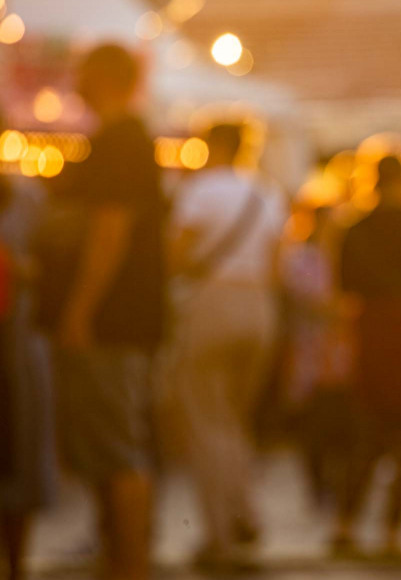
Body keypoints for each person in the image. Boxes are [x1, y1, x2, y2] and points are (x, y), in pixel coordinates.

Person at [34, 43, 166, 580]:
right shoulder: (121, 139)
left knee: (115, 447)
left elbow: (111, 230)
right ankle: (120, 556)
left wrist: (80, 310)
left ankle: (128, 564)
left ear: (105, 76)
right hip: (113, 318)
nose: (73, 78)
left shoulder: (122, 140)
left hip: (110, 321)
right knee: (109, 445)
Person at [160, 122, 286, 569]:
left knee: (205, 421)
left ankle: (222, 537)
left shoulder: (199, 191)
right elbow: (276, 267)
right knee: (233, 418)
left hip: (213, 301)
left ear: (213, 146)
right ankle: (245, 511)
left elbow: (176, 256)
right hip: (260, 307)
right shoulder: (267, 195)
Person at [335, 155, 401, 557]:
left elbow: (345, 289)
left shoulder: (354, 227)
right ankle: (393, 530)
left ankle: (345, 522)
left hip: (371, 330)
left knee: (367, 429)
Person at [0, 167, 56, 580]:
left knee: (18, 455)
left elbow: (53, 265)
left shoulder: (28, 198)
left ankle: (17, 566)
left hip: (15, 343)